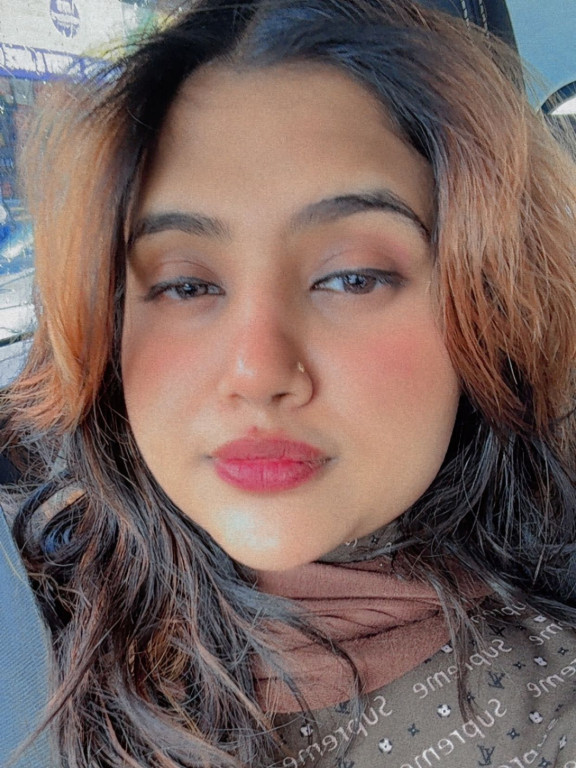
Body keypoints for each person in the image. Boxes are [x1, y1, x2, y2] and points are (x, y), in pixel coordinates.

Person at [2, 0, 576, 765]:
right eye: (186, 285)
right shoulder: (37, 591)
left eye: (353, 278)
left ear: (486, 303)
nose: (257, 373)